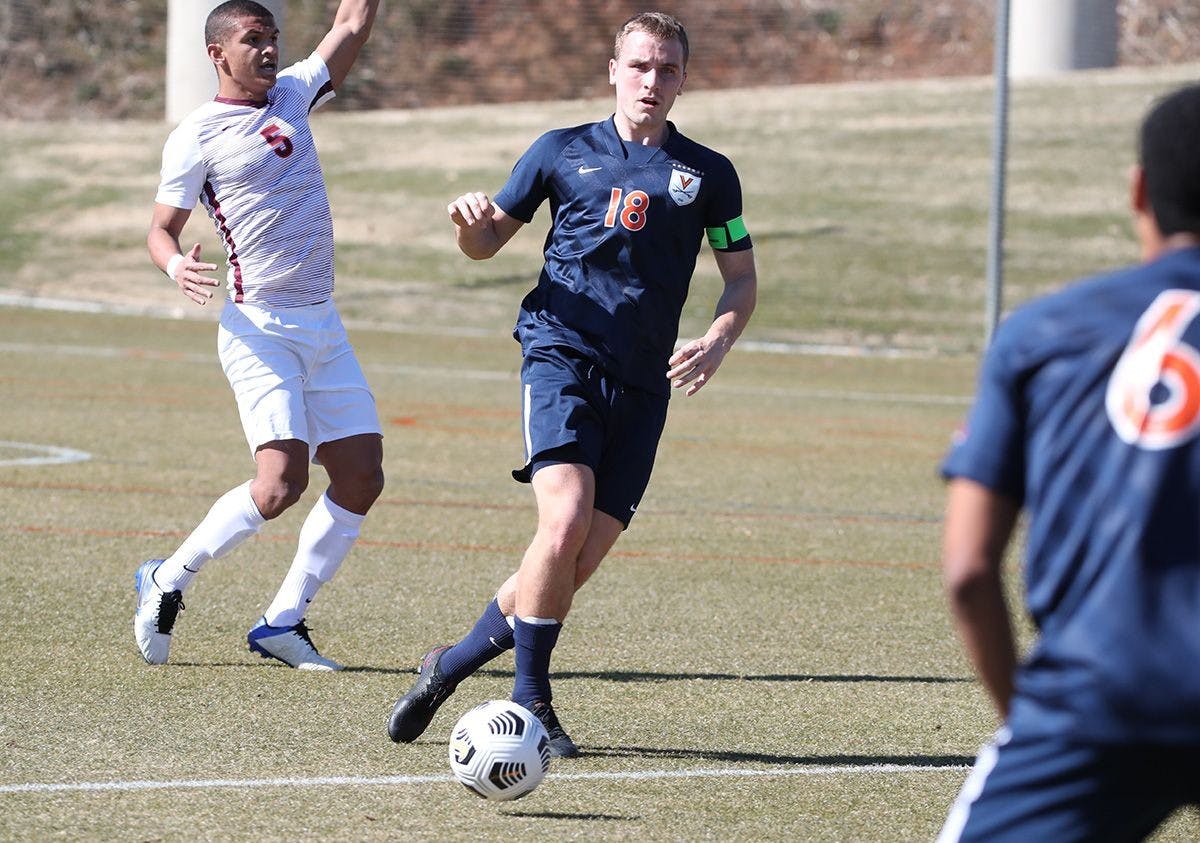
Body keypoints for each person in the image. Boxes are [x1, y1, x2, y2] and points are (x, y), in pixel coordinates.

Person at [387, 11, 757, 757]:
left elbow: (740, 279)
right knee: (562, 523)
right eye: (641, 66)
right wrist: (467, 224)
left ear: (685, 78)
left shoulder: (707, 177)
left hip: (645, 385)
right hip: (560, 355)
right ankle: (532, 703)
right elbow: (489, 239)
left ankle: (450, 662)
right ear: (613, 69)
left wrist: (717, 338)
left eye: (669, 69)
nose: (653, 81)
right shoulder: (560, 152)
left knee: (575, 560)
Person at [938, 83, 1200, 841]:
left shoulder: (1044, 331)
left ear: (1139, 189)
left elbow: (968, 568)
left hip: (1096, 696)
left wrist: (1030, 718)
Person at [135, 0, 383, 671]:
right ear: (218, 53)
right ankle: (168, 577)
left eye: (273, 37)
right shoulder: (197, 135)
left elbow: (353, 23)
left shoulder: (297, 92)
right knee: (278, 485)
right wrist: (175, 262)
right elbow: (161, 228)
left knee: (361, 476)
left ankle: (282, 620)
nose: (269, 50)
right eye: (253, 40)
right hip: (260, 329)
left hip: (322, 325)